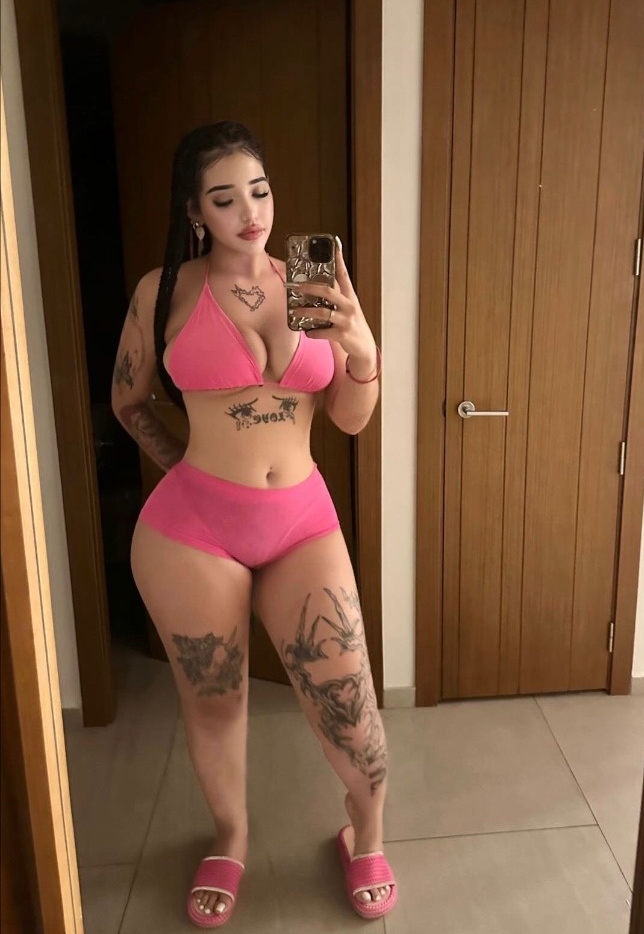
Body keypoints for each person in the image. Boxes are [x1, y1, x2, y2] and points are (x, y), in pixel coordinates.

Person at [111, 121, 396, 927]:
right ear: (194, 211)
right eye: (225, 198)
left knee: (350, 705)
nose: (250, 212)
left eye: (259, 191)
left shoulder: (310, 279)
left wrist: (361, 350)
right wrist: (188, 471)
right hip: (193, 529)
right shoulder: (162, 290)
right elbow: (129, 402)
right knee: (214, 703)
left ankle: (366, 831)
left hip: (300, 520)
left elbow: (348, 418)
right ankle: (230, 837)